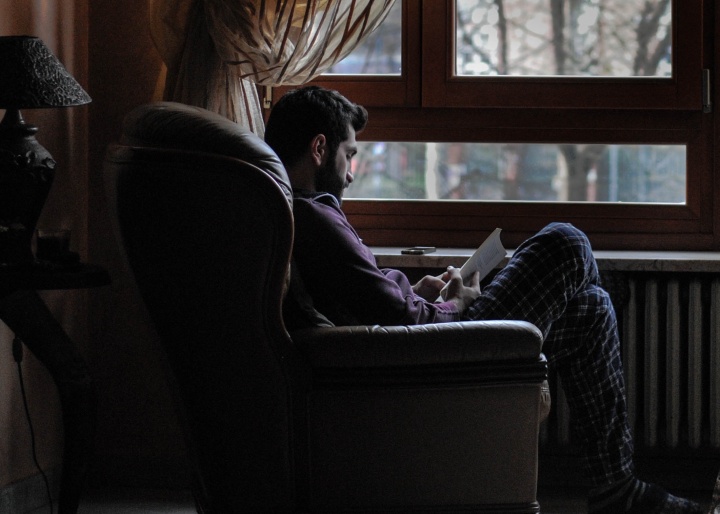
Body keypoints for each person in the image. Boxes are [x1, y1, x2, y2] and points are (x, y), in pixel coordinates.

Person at [264, 85, 703, 514]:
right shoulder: (314, 218)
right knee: (565, 242)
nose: (352, 172)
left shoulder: (299, 215)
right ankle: (619, 490)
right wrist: (461, 303)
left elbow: (370, 302)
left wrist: (419, 290)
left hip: (414, 346)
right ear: (320, 148)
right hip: (428, 360)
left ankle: (615, 489)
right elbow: (398, 319)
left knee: (591, 310)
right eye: (349, 155)